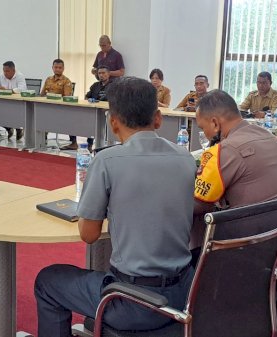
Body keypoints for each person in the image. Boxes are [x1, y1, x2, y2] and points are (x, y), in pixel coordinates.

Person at [34, 77, 195, 337]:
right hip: (184, 294)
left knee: (48, 281)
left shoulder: (107, 161)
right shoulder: (186, 159)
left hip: (132, 301)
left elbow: (89, 235)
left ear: (113, 122)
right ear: (158, 118)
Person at [192, 89, 277, 259]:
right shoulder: (269, 136)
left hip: (244, 243)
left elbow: (200, 205)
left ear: (214, 123)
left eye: (203, 128)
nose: (205, 134)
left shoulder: (223, 151)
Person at [60, 66, 112, 150]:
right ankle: (73, 143)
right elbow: (87, 96)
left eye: (103, 73)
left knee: (92, 122)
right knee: (72, 118)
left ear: (108, 74)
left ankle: (89, 145)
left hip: (105, 112)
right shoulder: (95, 85)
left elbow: (115, 99)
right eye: (99, 73)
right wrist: (89, 100)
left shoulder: (114, 86)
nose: (101, 75)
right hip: (92, 109)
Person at [0, 61, 27, 140]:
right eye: (4, 71)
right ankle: (9, 128)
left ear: (13, 70)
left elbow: (21, 89)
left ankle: (18, 128)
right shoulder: (1, 76)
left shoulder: (20, 76)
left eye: (7, 71)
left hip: (18, 104)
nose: (5, 73)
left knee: (10, 112)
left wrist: (6, 90)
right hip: (3, 103)